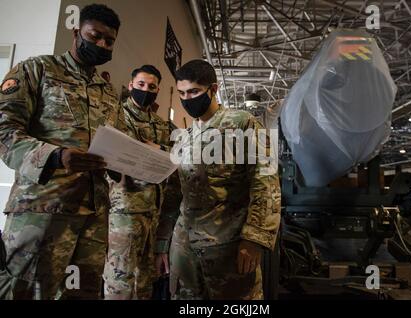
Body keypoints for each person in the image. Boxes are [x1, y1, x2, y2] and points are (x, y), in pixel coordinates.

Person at [0, 4, 124, 300]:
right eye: (95, 36)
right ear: (76, 31)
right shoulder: (36, 69)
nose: (102, 45)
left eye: (109, 41)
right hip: (42, 212)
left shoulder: (106, 92)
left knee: (81, 293)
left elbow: (113, 143)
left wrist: (125, 162)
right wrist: (56, 156)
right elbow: (4, 132)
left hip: (93, 218)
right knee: (26, 292)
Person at [162, 59, 281, 300]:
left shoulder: (242, 124)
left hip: (227, 247)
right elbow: (175, 193)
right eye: (182, 93)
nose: (187, 99)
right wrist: (162, 241)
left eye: (194, 91)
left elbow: (265, 182)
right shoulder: (184, 137)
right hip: (185, 248)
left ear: (213, 89)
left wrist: (255, 238)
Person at [103, 65, 172, 300]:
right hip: (124, 211)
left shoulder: (161, 125)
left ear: (157, 90)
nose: (146, 90)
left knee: (144, 281)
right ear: (131, 85)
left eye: (152, 87)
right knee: (120, 279)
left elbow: (176, 154)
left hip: (152, 212)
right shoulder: (115, 117)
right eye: (141, 85)